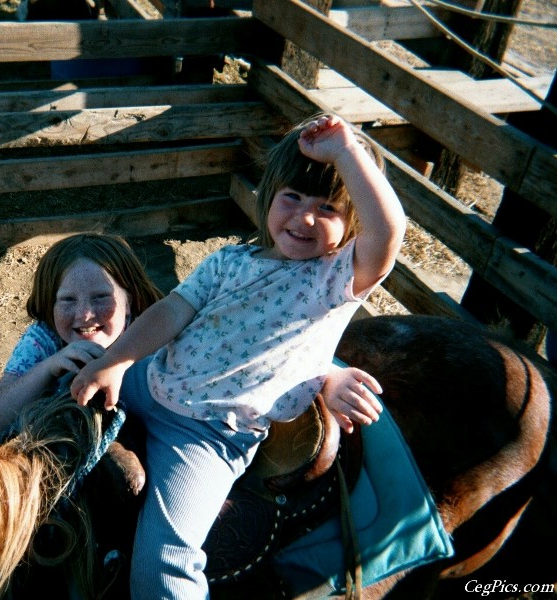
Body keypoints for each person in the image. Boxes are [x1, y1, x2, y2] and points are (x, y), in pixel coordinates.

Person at [70, 113, 407, 598]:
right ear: (269, 195)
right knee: (60, 400)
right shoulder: (229, 261)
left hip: (207, 433)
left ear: (352, 225)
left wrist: (345, 152)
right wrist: (117, 360)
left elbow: (389, 231)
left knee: (164, 566)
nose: (305, 217)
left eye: (328, 208)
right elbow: (170, 313)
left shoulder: (336, 279)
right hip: (152, 380)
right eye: (292, 197)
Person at [0, 233, 164, 444]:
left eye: (100, 297)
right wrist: (48, 368)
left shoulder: (153, 333)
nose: (85, 314)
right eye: (68, 300)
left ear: (129, 299)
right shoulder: (45, 339)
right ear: (50, 304)